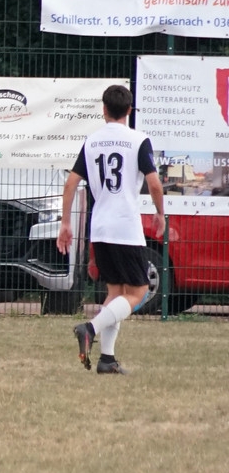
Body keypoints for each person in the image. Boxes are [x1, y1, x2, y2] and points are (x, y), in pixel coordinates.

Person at [57, 84, 165, 375]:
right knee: (139, 291)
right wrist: (160, 213)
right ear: (129, 110)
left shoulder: (92, 141)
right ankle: (89, 328)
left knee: (116, 292)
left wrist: (66, 223)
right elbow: (154, 184)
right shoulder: (138, 140)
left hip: (100, 227)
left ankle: (107, 359)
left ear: (103, 110)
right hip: (125, 227)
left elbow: (71, 184)